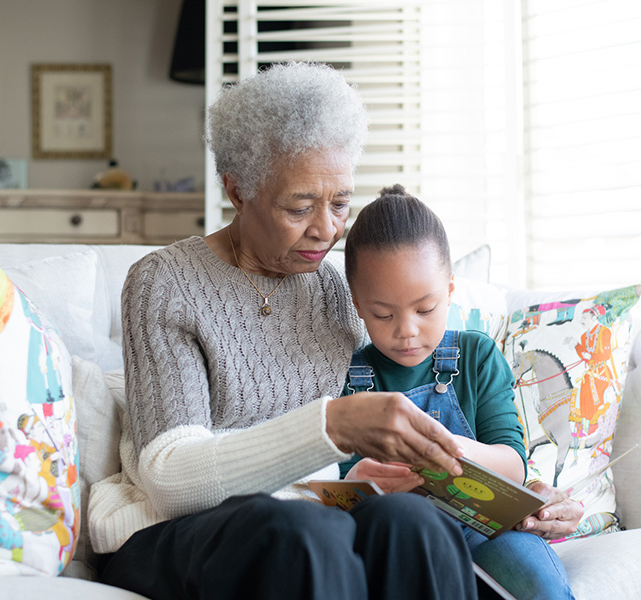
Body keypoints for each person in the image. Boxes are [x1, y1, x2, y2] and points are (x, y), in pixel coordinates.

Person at [88, 62, 581, 600]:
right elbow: (170, 480)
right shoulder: (165, 283)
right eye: (300, 206)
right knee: (307, 531)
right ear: (237, 190)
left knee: (412, 524)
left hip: (316, 510)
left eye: (340, 203)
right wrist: (332, 427)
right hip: (184, 532)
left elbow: (357, 461)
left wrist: (520, 495)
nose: (326, 229)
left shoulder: (340, 292)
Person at [340, 184, 575, 600]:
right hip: (396, 538)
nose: (407, 329)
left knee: (540, 588)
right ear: (358, 303)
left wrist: (446, 451)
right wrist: (357, 478)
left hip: (486, 531)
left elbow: (513, 464)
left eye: (425, 309)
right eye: (383, 313)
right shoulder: (347, 374)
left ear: (450, 289)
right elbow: (336, 481)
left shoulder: (476, 355)